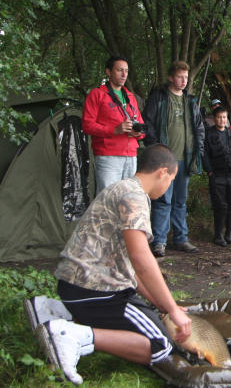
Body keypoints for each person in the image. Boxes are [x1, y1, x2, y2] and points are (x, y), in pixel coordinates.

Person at [33, 144, 191, 385]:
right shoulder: (134, 197)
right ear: (162, 172)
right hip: (96, 291)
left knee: (151, 319)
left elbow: (130, 269)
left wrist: (166, 306)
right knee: (160, 345)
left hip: (74, 287)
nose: (169, 186)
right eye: (171, 179)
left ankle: (57, 312)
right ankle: (75, 336)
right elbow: (141, 260)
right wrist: (171, 311)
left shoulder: (122, 187)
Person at [142, 61, 205, 257]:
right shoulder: (159, 98)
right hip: (164, 160)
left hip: (185, 159)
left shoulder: (191, 102)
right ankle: (159, 241)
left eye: (186, 78)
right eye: (180, 77)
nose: (183, 81)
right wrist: (156, 150)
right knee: (163, 200)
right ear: (171, 77)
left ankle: (180, 238)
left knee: (180, 201)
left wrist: (198, 151)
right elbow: (148, 124)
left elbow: (199, 128)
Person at [82, 56, 145, 193]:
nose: (124, 74)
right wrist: (114, 130)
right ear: (109, 72)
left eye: (126, 71)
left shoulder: (130, 97)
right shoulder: (97, 94)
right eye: (119, 70)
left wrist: (138, 133)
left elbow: (141, 125)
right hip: (108, 156)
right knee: (107, 199)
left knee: (128, 199)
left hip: (131, 156)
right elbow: (87, 125)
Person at [202, 106, 231, 247]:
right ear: (214, 118)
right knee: (220, 205)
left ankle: (229, 233)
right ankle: (218, 235)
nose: (222, 120)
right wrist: (209, 171)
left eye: (224, 117)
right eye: (219, 117)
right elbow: (204, 154)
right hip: (217, 175)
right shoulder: (209, 134)